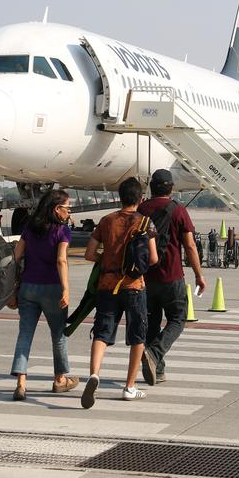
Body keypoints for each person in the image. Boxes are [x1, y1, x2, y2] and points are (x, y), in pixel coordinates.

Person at [81, 177, 157, 408]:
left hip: (107, 285)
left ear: (120, 197)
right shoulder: (145, 222)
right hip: (134, 285)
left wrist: (107, 258)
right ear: (140, 199)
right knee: (137, 336)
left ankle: (94, 374)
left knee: (102, 333)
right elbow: (153, 258)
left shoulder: (106, 221)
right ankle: (130, 387)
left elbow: (89, 253)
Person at [137, 169, 206, 386]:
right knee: (177, 319)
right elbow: (190, 245)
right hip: (172, 276)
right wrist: (199, 275)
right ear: (171, 188)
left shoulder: (142, 209)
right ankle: (155, 354)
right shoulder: (178, 211)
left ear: (151, 187)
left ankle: (157, 370)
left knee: (152, 323)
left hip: (146, 276)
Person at [10, 188, 78, 400]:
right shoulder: (62, 231)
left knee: (25, 333)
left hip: (28, 287)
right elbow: (61, 260)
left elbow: (16, 255)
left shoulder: (30, 227)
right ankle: (59, 380)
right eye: (67, 208)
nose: (69, 212)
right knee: (58, 335)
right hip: (52, 288)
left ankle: (21, 383)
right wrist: (66, 288)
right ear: (57, 209)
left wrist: (13, 286)